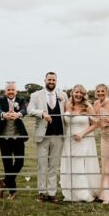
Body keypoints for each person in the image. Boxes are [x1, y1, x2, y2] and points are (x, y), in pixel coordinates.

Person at [27, 72, 68, 203]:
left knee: (54, 166)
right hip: (42, 135)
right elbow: (29, 110)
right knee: (42, 165)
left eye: (53, 79)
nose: (51, 81)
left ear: (56, 81)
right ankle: (41, 192)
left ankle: (52, 193)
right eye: (49, 79)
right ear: (45, 80)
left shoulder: (63, 95)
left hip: (58, 135)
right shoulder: (35, 95)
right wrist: (42, 113)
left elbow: (68, 110)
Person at [60, 84, 100, 202]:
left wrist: (82, 133)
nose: (78, 95)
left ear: (84, 95)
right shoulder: (67, 104)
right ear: (72, 92)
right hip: (69, 140)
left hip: (83, 139)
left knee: (79, 165)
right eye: (76, 92)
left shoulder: (87, 106)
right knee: (70, 165)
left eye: (81, 93)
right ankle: (71, 192)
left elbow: (96, 124)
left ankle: (83, 193)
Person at [0, 81, 28, 200]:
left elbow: (24, 110)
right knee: (7, 164)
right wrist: (3, 115)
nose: (10, 92)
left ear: (16, 91)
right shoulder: (1, 100)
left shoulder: (21, 99)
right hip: (4, 138)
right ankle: (12, 192)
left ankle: (5, 181)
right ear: (5, 92)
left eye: (12, 90)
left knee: (20, 162)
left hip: (18, 137)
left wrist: (18, 114)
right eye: (8, 90)